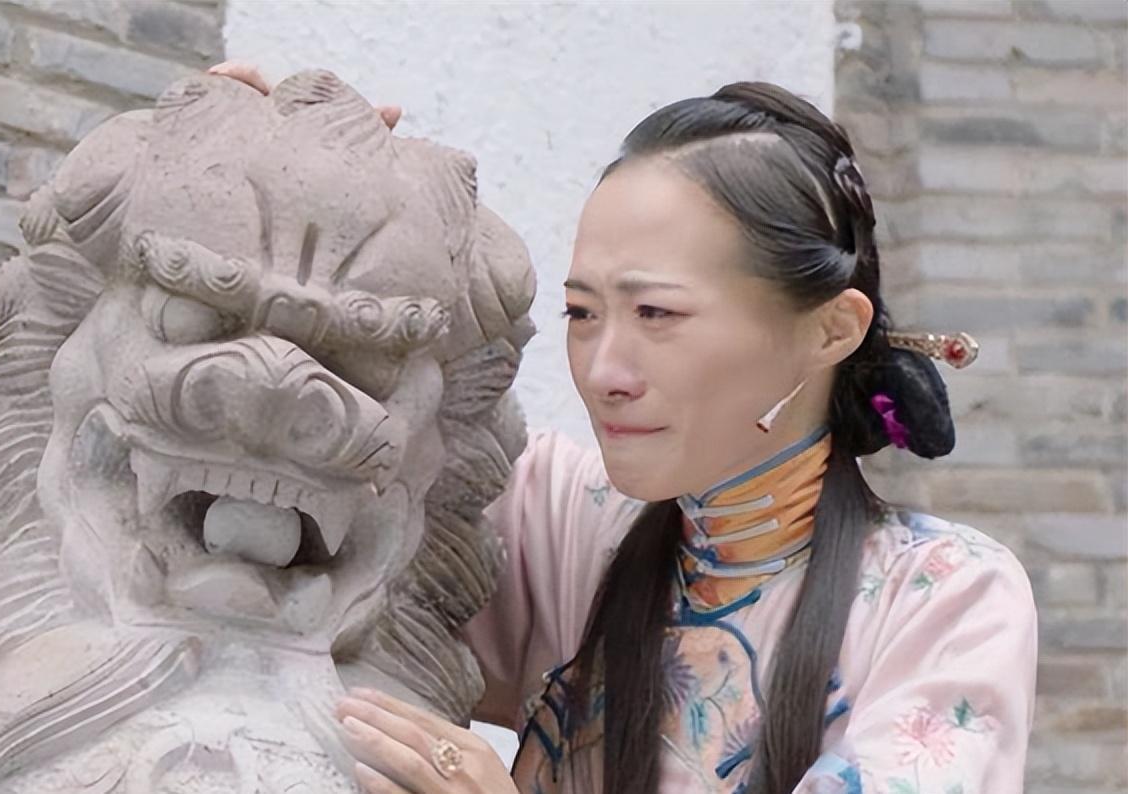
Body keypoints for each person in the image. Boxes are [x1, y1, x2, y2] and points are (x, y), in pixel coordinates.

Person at [209, 62, 1038, 794]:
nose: (604, 370)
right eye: (582, 313)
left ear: (830, 330)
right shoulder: (567, 520)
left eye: (656, 313)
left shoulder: (943, 599)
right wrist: (267, 184)